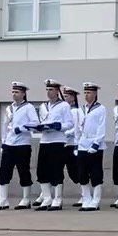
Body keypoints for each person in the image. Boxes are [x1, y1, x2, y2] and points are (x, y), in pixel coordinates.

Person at [0, 81, 38, 211]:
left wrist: (21, 128)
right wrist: (3, 142)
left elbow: (35, 123)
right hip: (9, 144)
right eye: (13, 92)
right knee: (4, 171)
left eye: (17, 92)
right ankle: (2, 199)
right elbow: (4, 126)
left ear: (23, 94)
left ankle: (26, 198)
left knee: (23, 171)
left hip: (22, 144)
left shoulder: (29, 107)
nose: (14, 94)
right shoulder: (9, 108)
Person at [33, 79, 74, 211]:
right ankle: (46, 198)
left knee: (56, 170)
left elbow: (70, 123)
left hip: (58, 140)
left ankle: (57, 199)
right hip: (45, 140)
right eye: (47, 89)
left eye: (51, 89)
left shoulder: (64, 106)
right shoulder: (43, 106)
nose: (49, 92)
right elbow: (41, 121)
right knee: (42, 170)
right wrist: (38, 128)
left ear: (57, 91)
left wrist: (59, 126)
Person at [76, 82, 107, 211]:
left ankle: (96, 200)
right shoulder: (80, 109)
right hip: (83, 144)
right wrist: (76, 144)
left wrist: (96, 143)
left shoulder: (101, 109)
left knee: (96, 173)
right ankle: (86, 198)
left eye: (89, 92)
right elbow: (77, 128)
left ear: (95, 94)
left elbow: (102, 127)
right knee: (82, 173)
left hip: (95, 145)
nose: (86, 95)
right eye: (85, 92)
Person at [61, 87, 84, 206]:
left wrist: (64, 132)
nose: (65, 98)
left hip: (72, 144)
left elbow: (77, 128)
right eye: (64, 96)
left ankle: (84, 195)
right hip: (62, 144)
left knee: (76, 172)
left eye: (67, 96)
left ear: (73, 98)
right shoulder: (63, 110)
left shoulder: (76, 111)